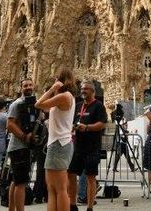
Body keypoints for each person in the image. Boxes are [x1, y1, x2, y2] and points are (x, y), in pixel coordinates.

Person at [35, 68, 76, 211]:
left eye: (57, 78)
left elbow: (38, 104)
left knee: (60, 189)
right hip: (57, 143)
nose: (54, 81)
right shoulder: (64, 97)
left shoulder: (64, 96)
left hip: (60, 144)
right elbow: (45, 108)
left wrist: (52, 88)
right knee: (52, 189)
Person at [67, 81, 107, 211]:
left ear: (93, 91)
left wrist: (87, 128)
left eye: (86, 89)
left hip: (92, 147)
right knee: (71, 173)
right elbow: (72, 121)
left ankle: (90, 207)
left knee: (90, 177)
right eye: (82, 89)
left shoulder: (99, 106)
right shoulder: (78, 106)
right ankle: (72, 204)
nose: (83, 91)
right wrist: (74, 127)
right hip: (77, 146)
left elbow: (102, 124)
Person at [6, 79, 37, 211]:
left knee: (16, 181)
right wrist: (24, 136)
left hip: (24, 148)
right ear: (21, 88)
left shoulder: (32, 104)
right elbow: (10, 124)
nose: (28, 87)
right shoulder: (17, 104)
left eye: (30, 85)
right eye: (25, 86)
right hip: (18, 147)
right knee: (21, 183)